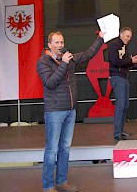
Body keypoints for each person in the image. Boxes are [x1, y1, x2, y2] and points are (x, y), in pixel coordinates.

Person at [37, 30, 104, 192]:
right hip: (54, 111)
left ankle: (61, 181)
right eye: (57, 43)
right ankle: (47, 186)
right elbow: (50, 82)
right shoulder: (43, 62)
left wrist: (100, 39)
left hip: (70, 110)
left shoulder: (68, 57)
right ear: (49, 45)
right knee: (52, 150)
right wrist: (64, 64)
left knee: (65, 148)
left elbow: (87, 55)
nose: (60, 45)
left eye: (62, 42)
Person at [109, 27, 137, 142]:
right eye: (127, 36)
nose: (129, 38)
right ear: (121, 35)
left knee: (125, 105)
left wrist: (133, 61)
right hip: (117, 77)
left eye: (130, 37)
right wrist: (130, 61)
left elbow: (126, 63)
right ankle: (117, 133)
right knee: (120, 105)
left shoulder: (124, 47)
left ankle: (120, 130)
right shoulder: (114, 46)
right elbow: (114, 61)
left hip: (124, 77)